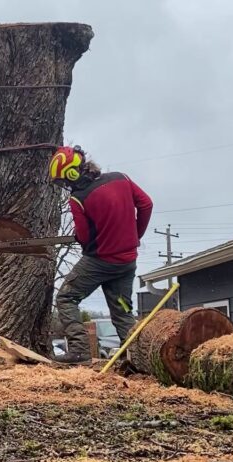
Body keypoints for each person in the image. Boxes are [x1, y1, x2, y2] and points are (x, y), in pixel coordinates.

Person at [50, 145, 153, 364]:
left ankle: (79, 350)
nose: (66, 186)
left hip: (99, 262)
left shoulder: (79, 199)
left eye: (65, 181)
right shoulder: (121, 179)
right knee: (123, 310)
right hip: (126, 263)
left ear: (72, 173)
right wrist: (136, 234)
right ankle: (138, 360)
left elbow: (85, 237)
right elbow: (146, 204)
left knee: (66, 298)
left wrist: (82, 236)